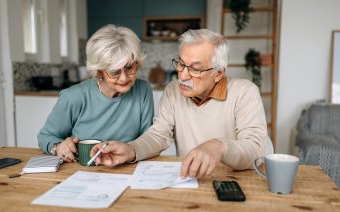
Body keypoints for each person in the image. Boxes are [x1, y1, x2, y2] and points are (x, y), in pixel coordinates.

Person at [91, 28, 268, 178]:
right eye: (181, 64)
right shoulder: (173, 90)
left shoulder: (245, 92)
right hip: (191, 179)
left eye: (195, 69)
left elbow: (255, 149)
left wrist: (219, 146)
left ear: (219, 73)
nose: (182, 76)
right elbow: (158, 136)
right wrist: (130, 149)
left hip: (238, 180)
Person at [37, 24, 154, 162]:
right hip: (81, 170)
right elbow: (45, 136)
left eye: (129, 67)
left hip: (126, 169)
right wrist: (57, 147)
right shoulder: (74, 97)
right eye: (114, 70)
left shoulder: (143, 91)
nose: (124, 77)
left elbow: (148, 141)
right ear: (99, 70)